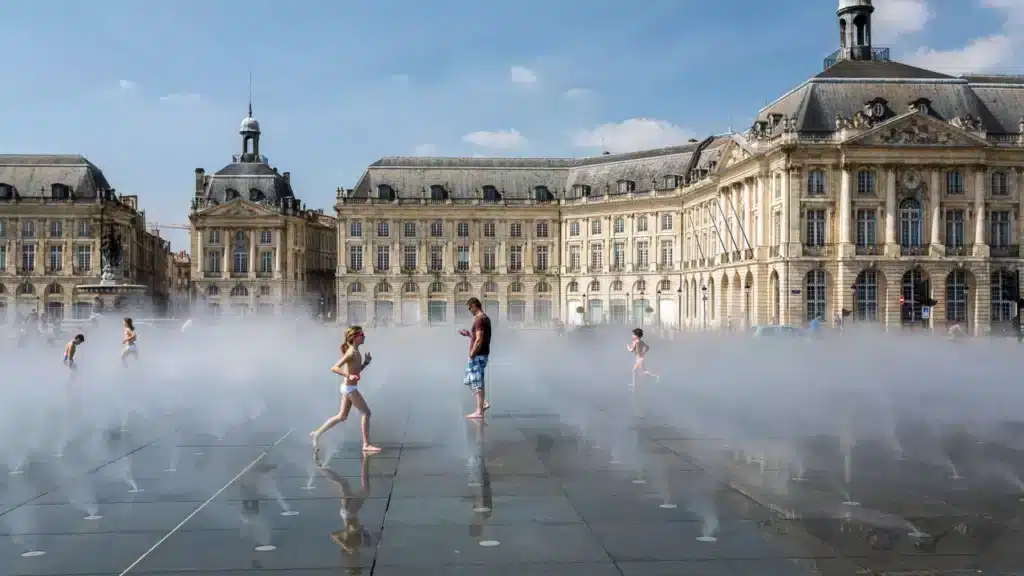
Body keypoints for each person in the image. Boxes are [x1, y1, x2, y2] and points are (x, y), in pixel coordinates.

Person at [311, 326, 381, 460]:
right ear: (355, 337)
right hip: (349, 388)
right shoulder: (351, 352)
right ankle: (366, 444)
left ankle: (317, 434)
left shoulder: (356, 352)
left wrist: (365, 363)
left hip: (347, 387)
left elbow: (356, 371)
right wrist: (349, 376)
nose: (364, 336)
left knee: (342, 416)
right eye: (362, 334)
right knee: (366, 413)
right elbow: (334, 368)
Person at [458, 298, 492, 419]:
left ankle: (479, 412)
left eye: (469, 308)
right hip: (480, 354)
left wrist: (472, 353)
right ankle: (483, 402)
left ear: (474, 306)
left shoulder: (479, 319)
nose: (469, 310)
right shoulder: (485, 318)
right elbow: (478, 337)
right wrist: (469, 334)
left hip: (478, 355)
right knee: (469, 380)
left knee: (477, 383)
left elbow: (479, 339)